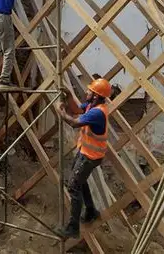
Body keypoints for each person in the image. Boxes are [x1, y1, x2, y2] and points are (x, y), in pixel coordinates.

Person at [54, 77, 113, 239]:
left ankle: (73, 228)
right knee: (81, 180)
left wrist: (61, 112)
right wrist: (68, 96)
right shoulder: (91, 106)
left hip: (90, 156)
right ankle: (91, 210)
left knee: (73, 186)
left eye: (90, 91)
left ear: (95, 95)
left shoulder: (97, 112)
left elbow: (74, 122)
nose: (86, 92)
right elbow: (77, 109)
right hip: (85, 151)